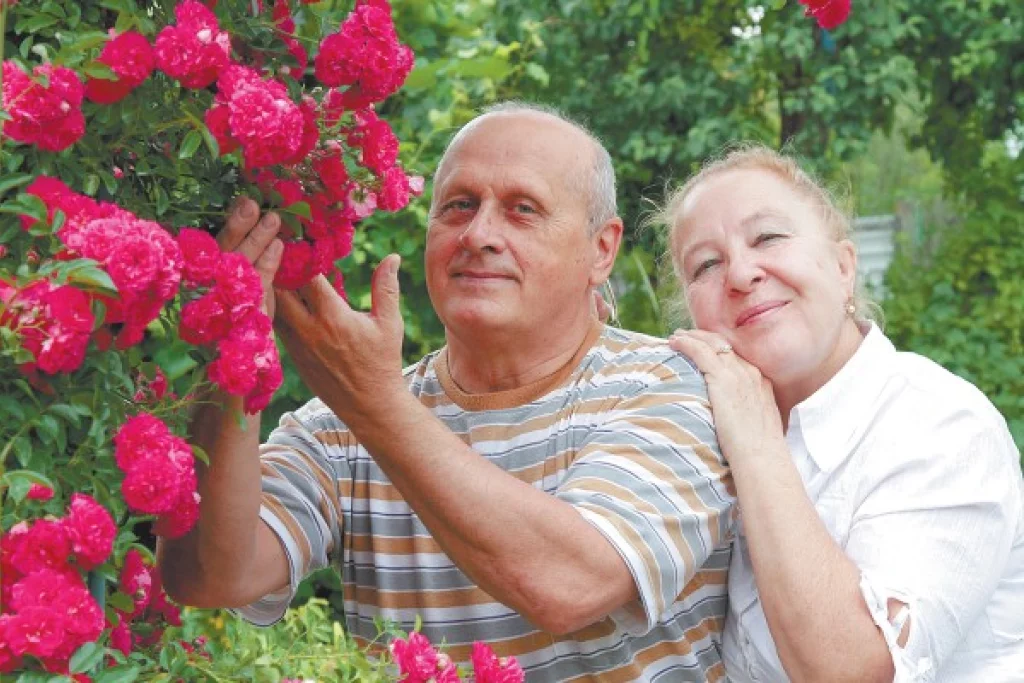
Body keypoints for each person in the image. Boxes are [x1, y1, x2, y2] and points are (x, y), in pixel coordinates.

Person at [158, 103, 736, 681]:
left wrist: (372, 403)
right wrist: (235, 345)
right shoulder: (341, 425)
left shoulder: (671, 383)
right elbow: (208, 576)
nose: (479, 235)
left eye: (523, 210)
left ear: (601, 250)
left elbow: (571, 585)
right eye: (459, 205)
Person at [658, 145, 1024, 682]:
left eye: (768, 237)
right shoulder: (698, 436)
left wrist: (756, 442)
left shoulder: (940, 425)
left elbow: (853, 672)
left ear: (843, 267)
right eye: (706, 265)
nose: (740, 273)